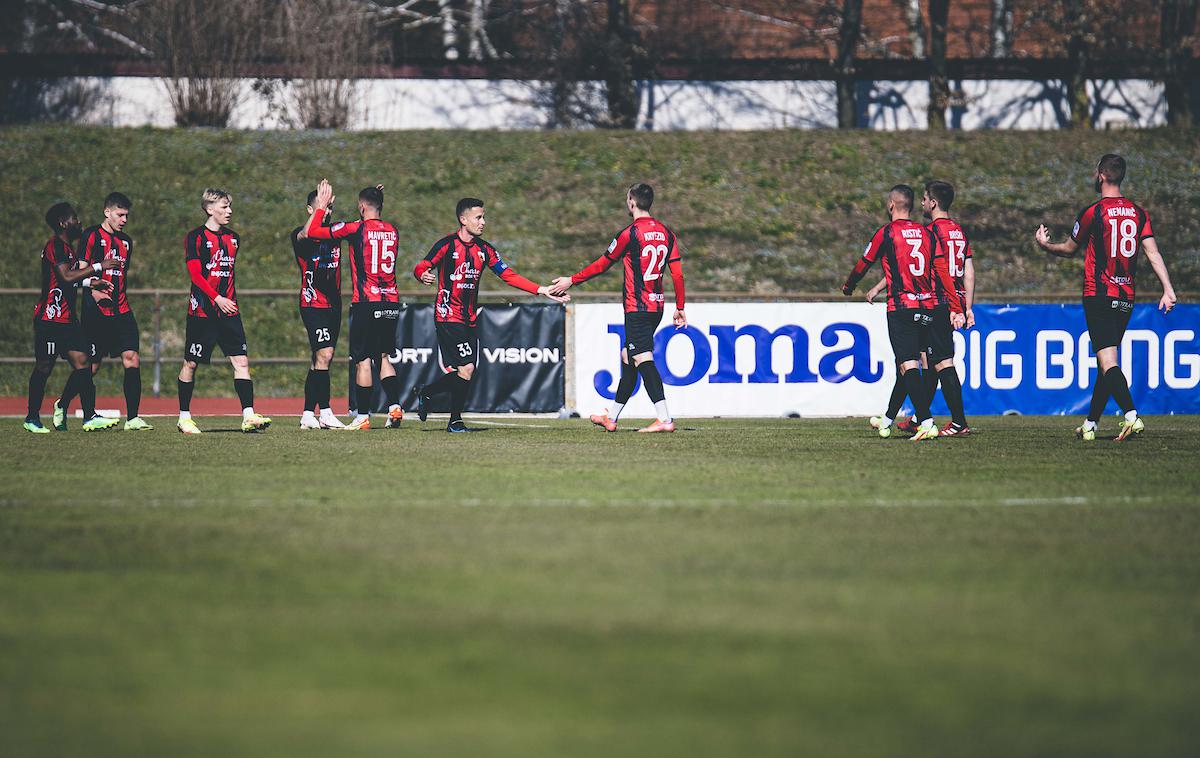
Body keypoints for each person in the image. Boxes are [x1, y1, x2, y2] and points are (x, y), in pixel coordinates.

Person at [1035, 153, 1177, 442]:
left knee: (1108, 360)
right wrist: (1168, 289)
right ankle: (1091, 424)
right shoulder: (1138, 213)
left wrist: (1045, 244)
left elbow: (1069, 249)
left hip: (1098, 294)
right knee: (1106, 360)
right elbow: (1152, 252)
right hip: (1126, 298)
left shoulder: (1093, 212)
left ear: (1100, 174)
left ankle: (1131, 415)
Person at [411, 198, 569, 433]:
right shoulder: (446, 245)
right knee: (466, 368)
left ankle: (426, 392)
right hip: (448, 316)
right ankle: (455, 421)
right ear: (463, 220)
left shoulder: (484, 250)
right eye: (478, 217)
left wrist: (542, 290)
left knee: (465, 371)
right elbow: (422, 265)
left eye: (484, 217)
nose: (483, 222)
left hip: (469, 319)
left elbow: (510, 276)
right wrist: (422, 274)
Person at [548, 183, 686, 433]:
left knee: (642, 357)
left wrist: (572, 280)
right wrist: (680, 307)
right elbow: (677, 275)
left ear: (632, 202)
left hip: (637, 307)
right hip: (656, 306)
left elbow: (602, 264)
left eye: (627, 199)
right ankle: (611, 417)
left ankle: (665, 419)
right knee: (628, 356)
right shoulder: (667, 233)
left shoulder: (630, 233)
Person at [842, 184, 963, 441]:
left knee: (908, 364)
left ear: (891, 205)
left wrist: (849, 285)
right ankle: (887, 419)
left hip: (901, 307)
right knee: (909, 365)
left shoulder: (886, 233)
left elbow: (864, 263)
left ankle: (926, 421)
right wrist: (955, 306)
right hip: (928, 307)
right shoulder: (927, 233)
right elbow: (942, 271)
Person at [303, 179, 402, 431]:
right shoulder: (392, 229)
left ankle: (362, 416)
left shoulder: (355, 229)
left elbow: (313, 232)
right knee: (384, 356)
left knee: (362, 360)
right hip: (390, 301)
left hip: (366, 302)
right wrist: (373, 198)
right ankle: (394, 407)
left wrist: (322, 207)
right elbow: (373, 216)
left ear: (360, 207)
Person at [177, 188, 272, 434]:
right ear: (209, 209)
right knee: (191, 363)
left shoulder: (233, 238)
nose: (229, 211)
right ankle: (184, 417)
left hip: (229, 311)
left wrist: (224, 300)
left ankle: (248, 416)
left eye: (230, 207)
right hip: (202, 312)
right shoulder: (195, 237)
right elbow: (196, 275)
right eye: (223, 207)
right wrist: (216, 297)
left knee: (241, 361)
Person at [57, 192, 153, 431]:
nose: (124, 220)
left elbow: (121, 275)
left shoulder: (126, 242)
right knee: (91, 366)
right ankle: (63, 403)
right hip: (95, 312)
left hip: (122, 310)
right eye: (120, 215)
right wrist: (94, 291)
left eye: (127, 216)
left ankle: (132, 418)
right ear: (107, 212)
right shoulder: (90, 235)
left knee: (132, 358)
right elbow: (79, 272)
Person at [25, 202, 121, 433]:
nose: (79, 222)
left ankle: (89, 416)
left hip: (68, 320)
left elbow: (68, 278)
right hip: (49, 319)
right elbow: (66, 277)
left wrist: (90, 282)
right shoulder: (54, 245)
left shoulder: (68, 250)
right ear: (62, 223)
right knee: (44, 367)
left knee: (84, 363)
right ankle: (31, 418)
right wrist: (98, 266)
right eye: (74, 218)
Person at [292, 189, 346, 429]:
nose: (328, 212)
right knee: (325, 355)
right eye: (323, 207)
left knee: (319, 361)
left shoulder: (334, 233)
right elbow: (305, 234)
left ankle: (306, 414)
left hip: (333, 305)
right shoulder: (301, 234)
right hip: (313, 303)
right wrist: (321, 206)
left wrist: (373, 200)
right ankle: (325, 411)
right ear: (310, 210)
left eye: (330, 208)